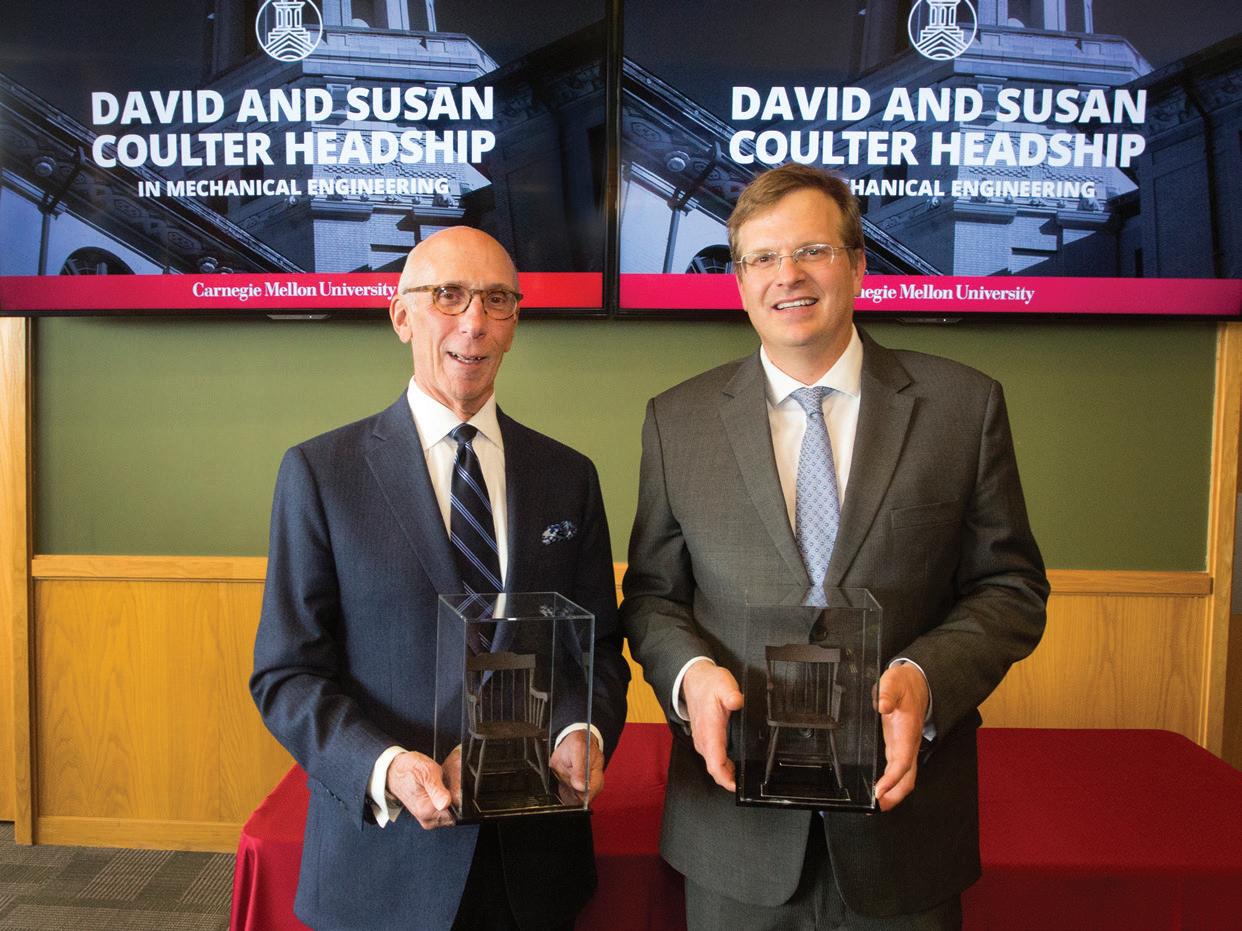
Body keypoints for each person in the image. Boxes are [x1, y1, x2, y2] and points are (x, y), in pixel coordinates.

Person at [621, 164, 1048, 929]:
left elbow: (1011, 587)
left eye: (812, 250)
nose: (787, 275)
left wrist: (926, 678)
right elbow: (653, 596)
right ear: (740, 280)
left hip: (903, 832)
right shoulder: (676, 422)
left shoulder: (962, 407)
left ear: (857, 263)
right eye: (762, 257)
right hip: (734, 834)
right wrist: (690, 677)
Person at [251, 227, 629, 931]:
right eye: (448, 295)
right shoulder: (321, 474)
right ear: (401, 316)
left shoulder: (568, 476)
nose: (473, 321)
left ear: (514, 322)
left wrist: (583, 730)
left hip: (535, 865)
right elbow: (286, 674)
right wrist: (388, 767)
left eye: (496, 300)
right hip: (385, 865)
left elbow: (598, 649)